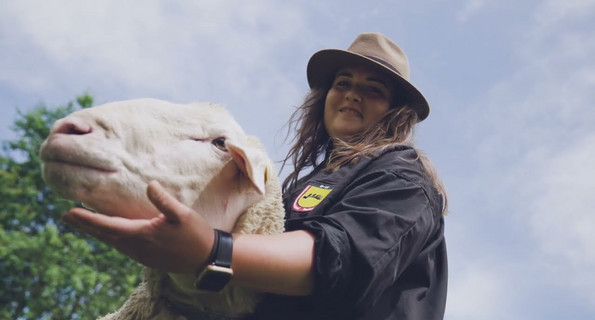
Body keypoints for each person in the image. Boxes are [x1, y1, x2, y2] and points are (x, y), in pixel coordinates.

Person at [62, 32, 448, 320]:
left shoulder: (403, 176)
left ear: (396, 113)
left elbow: (343, 261)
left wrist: (210, 251)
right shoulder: (296, 187)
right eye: (342, 82)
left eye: (373, 89)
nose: (351, 94)